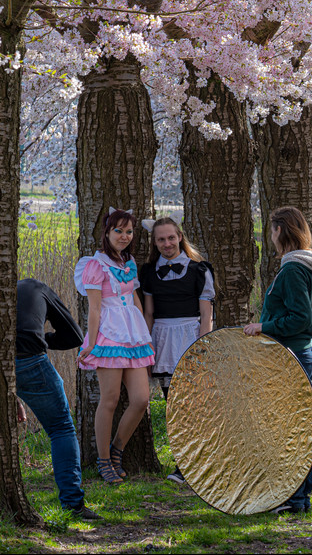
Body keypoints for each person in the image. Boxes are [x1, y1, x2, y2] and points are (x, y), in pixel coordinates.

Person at [242, 206, 312, 515]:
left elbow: (300, 319)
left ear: (281, 231)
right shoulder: (305, 265)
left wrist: (262, 327)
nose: (271, 237)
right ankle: (297, 499)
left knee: (289, 433)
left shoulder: (293, 269)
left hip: (291, 355)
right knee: (295, 430)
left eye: (272, 230)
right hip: (300, 353)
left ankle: (294, 500)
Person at [75, 207, 155, 485]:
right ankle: (103, 460)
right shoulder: (94, 265)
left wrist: (143, 334)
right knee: (108, 400)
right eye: (118, 230)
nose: (123, 236)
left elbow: (134, 299)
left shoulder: (128, 262)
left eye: (129, 231)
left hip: (132, 335)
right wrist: (93, 343)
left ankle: (118, 450)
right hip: (108, 334)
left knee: (141, 399)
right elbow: (94, 309)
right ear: (107, 233)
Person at [15, 278, 101, 520]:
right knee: (61, 429)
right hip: (31, 361)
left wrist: (11, 394)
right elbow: (74, 335)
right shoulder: (35, 287)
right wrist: (43, 339)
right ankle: (73, 505)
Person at [139, 217, 215, 485]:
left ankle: (196, 461)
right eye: (161, 239)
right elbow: (148, 312)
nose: (167, 243)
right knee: (174, 404)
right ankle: (184, 460)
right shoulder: (148, 271)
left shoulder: (200, 270)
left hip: (189, 338)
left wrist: (201, 349)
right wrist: (147, 346)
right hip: (162, 339)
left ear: (180, 236)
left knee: (192, 404)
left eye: (171, 238)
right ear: (155, 242)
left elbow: (206, 315)